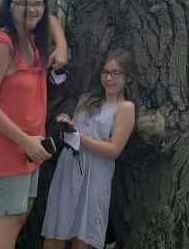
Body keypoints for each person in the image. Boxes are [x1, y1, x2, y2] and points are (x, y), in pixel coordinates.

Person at [0, 0, 68, 249]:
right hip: (7, 145)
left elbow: (51, 18)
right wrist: (24, 141)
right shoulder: (1, 45)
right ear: (9, 7)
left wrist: (61, 46)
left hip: (30, 146)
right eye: (23, 3)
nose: (32, 9)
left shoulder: (32, 40)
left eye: (37, 3)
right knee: (8, 222)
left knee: (21, 214)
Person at [42, 49, 137, 249]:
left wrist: (79, 137)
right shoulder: (87, 99)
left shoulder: (126, 108)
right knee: (55, 233)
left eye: (115, 73)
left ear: (128, 77)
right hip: (69, 167)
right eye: (105, 72)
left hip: (97, 174)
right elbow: (74, 130)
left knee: (82, 238)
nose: (109, 78)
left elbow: (113, 150)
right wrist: (66, 123)